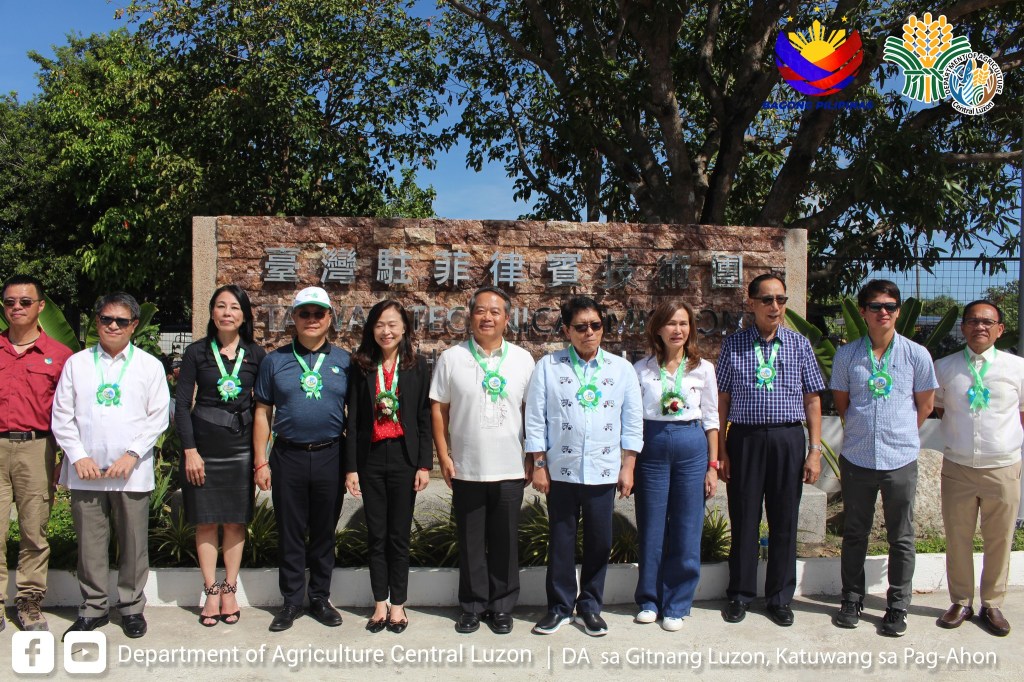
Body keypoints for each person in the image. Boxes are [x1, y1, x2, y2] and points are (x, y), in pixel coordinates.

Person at [52, 292, 170, 640]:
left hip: (131, 473)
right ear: (97, 322)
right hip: (86, 473)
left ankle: (132, 608)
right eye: (106, 319)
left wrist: (132, 454)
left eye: (121, 321)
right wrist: (78, 456)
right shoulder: (77, 363)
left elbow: (158, 415)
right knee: (90, 546)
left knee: (133, 544)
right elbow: (61, 415)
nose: (113, 326)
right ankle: (93, 608)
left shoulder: (149, 365)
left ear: (134, 325)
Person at [525, 295, 643, 637]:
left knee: (599, 542)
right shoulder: (549, 366)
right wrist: (539, 464)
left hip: (602, 470)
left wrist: (628, 466)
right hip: (559, 471)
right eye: (580, 327)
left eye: (595, 325)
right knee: (561, 541)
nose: (588, 332)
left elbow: (633, 423)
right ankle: (560, 608)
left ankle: (590, 607)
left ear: (602, 328)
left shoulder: (620, 369)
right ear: (567, 330)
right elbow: (535, 418)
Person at [716, 273, 825, 627]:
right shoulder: (733, 345)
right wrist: (722, 451)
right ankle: (740, 594)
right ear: (751, 303)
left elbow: (812, 400)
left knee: (784, 522)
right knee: (744, 519)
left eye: (781, 299)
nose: (774, 306)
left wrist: (814, 450)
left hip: (787, 440)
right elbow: (722, 400)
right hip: (744, 440)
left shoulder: (799, 344)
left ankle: (779, 597)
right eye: (766, 299)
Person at [830, 279, 937, 637]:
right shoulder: (848, 355)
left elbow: (925, 405)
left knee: (901, 536)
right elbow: (842, 403)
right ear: (863, 312)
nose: (884, 312)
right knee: (855, 533)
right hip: (858, 457)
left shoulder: (916, 354)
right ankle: (852, 598)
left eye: (890, 306)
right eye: (876, 306)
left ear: (898, 311)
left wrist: (899, 431)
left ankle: (897, 605)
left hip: (900, 458)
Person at [430, 286, 535, 634]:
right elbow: (438, 408)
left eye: (495, 311)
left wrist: (533, 457)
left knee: (505, 541)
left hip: (510, 466)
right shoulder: (451, 358)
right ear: (470, 316)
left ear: (507, 318)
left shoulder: (523, 359)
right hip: (466, 467)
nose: (487, 317)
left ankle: (502, 606)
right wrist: (443, 454)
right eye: (480, 311)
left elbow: (531, 413)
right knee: (471, 540)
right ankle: (473, 606)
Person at [253, 286, 349, 632]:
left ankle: (320, 597)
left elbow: (354, 416)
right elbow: (263, 412)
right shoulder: (274, 361)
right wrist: (261, 461)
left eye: (318, 313)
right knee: (290, 532)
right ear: (293, 318)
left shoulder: (343, 361)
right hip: (287, 456)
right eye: (304, 313)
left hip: (330, 455)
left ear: (329, 319)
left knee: (324, 532)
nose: (311, 319)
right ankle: (292, 601)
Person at [174, 285, 266, 627]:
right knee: (207, 521)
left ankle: (230, 588)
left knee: (234, 521)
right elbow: (182, 405)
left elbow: (263, 408)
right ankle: (211, 589)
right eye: (221, 306)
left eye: (234, 307)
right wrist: (190, 451)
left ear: (244, 316)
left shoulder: (257, 355)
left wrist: (260, 458)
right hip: (203, 449)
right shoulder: (197, 352)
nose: (228, 312)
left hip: (240, 448)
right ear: (212, 313)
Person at [933, 300, 1024, 636]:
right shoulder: (944, 367)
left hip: (1002, 467)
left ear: (1000, 329)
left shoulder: (1018, 368)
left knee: (999, 538)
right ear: (964, 327)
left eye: (988, 322)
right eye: (973, 321)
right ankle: (960, 600)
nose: (980, 327)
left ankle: (993, 603)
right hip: (958, 467)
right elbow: (940, 408)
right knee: (958, 537)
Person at [345, 300, 432, 634]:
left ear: (405, 329)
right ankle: (379, 602)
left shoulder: (416, 366)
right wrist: (351, 467)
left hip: (404, 459)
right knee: (376, 535)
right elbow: (352, 419)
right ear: (371, 328)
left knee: (399, 536)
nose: (387, 331)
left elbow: (423, 416)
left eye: (394, 324)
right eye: (380, 324)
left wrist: (425, 464)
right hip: (371, 458)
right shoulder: (361, 365)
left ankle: (399, 605)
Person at [632, 300, 719, 631]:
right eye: (670, 323)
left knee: (687, 525)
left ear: (691, 329)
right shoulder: (640, 370)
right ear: (657, 328)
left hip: (691, 447)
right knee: (652, 524)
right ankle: (649, 600)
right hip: (652, 447)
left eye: (683, 323)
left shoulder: (703, 369)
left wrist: (712, 465)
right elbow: (632, 418)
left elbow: (711, 418)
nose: (677, 330)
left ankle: (678, 603)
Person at [0, 275, 73, 632]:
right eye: (11, 302)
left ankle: (28, 601)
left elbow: (67, 413)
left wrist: (63, 458)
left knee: (34, 530)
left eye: (25, 302)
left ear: (40, 307)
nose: (17, 308)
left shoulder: (60, 357)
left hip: (37, 447)